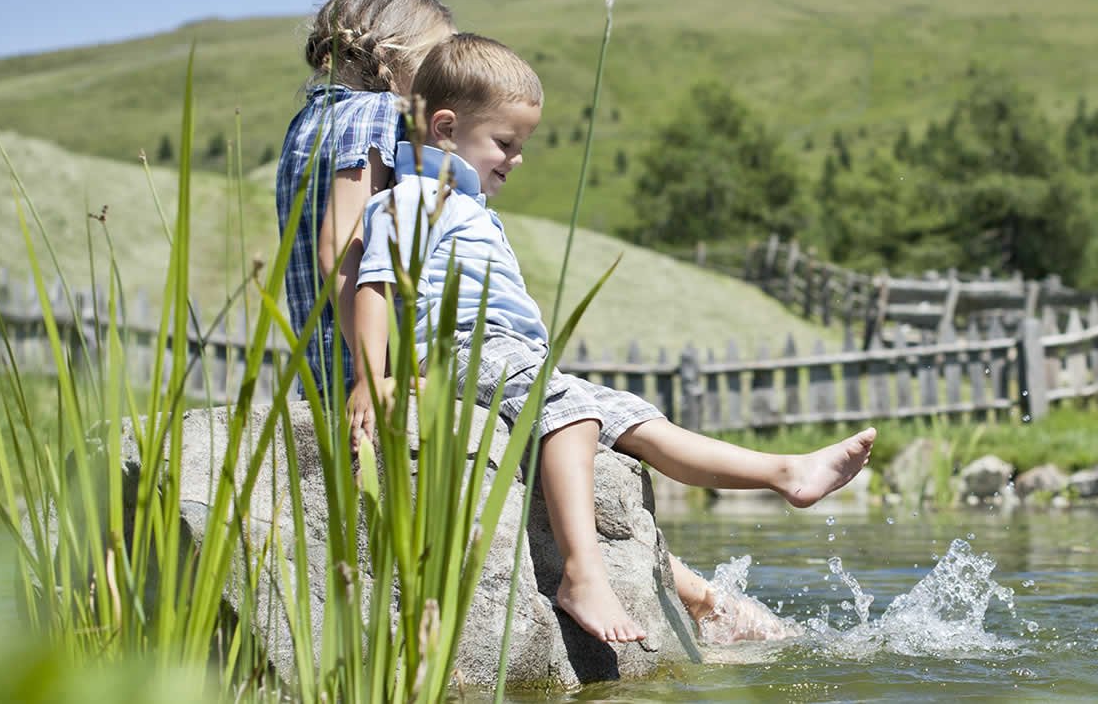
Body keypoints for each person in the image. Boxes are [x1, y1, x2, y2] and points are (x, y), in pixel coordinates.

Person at [347, 33, 876, 644]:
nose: (517, 160)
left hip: (514, 357)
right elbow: (376, 284)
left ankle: (785, 473)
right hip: (464, 346)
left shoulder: (463, 204)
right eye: (506, 143)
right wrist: (370, 378)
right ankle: (581, 574)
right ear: (443, 127)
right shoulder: (412, 198)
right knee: (571, 414)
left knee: (635, 418)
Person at [276, 0, 454, 400]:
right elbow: (340, 243)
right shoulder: (377, 112)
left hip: (321, 369)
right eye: (433, 63)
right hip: (362, 371)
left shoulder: (308, 120)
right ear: (398, 53)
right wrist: (378, 372)